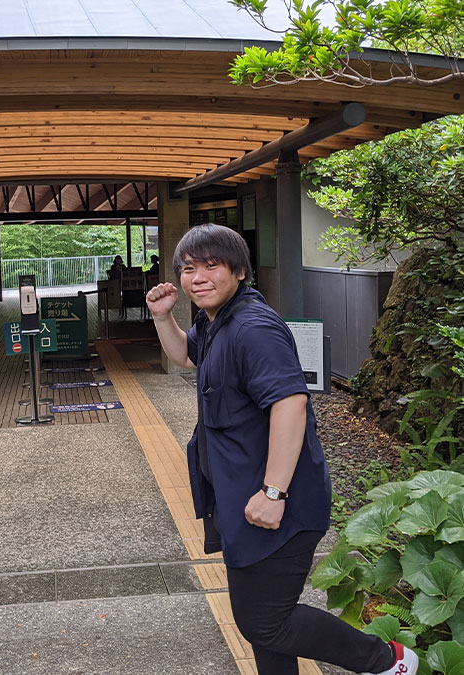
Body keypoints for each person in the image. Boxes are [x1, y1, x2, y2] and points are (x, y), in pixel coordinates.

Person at [145, 224, 417, 675]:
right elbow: (188, 358)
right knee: (262, 622)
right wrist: (161, 317)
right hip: (243, 499)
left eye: (212, 265)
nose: (199, 277)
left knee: (265, 622)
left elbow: (290, 405)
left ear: (239, 269)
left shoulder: (253, 327)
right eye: (189, 269)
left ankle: (388, 661)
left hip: (276, 502)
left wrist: (273, 494)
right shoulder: (215, 319)